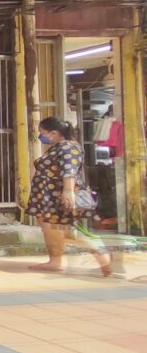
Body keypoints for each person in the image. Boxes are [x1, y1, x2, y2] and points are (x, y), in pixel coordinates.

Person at [27, 117, 111, 276]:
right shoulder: (57, 147)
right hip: (48, 197)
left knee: (66, 231)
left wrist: (68, 191)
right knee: (52, 230)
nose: (41, 136)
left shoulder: (69, 147)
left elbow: (69, 170)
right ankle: (55, 262)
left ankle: (102, 256)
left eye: (42, 133)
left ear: (54, 133)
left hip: (57, 197)